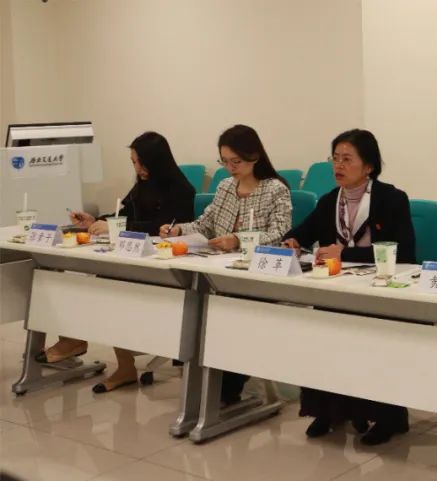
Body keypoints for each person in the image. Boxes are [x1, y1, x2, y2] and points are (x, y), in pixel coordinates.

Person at [281, 129, 415, 445]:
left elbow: (404, 252)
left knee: (371, 341)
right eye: (335, 158)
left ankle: (385, 417)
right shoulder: (331, 200)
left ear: (368, 166)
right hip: (339, 288)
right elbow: (302, 231)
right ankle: (329, 411)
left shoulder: (392, 199)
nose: (338, 166)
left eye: (347, 159)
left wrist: (347, 254)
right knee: (324, 332)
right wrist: (292, 241)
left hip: (379, 290)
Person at [35, 132, 195, 394]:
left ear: (155, 162)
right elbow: (124, 214)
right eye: (133, 162)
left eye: (139, 162)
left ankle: (81, 341)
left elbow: (162, 227)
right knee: (103, 279)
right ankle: (110, 358)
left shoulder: (181, 189)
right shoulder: (143, 184)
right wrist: (96, 220)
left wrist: (115, 228)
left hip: (165, 265)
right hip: (133, 258)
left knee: (111, 284)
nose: (137, 169)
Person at [163, 124, 292, 404]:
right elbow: (204, 225)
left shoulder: (275, 190)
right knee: (192, 306)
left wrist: (238, 240)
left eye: (236, 161)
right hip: (218, 272)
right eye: (225, 161)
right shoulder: (224, 187)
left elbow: (278, 234)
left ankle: (225, 387)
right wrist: (178, 230)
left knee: (226, 315)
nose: (230, 168)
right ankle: (205, 379)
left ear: (254, 156)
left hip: (254, 277)